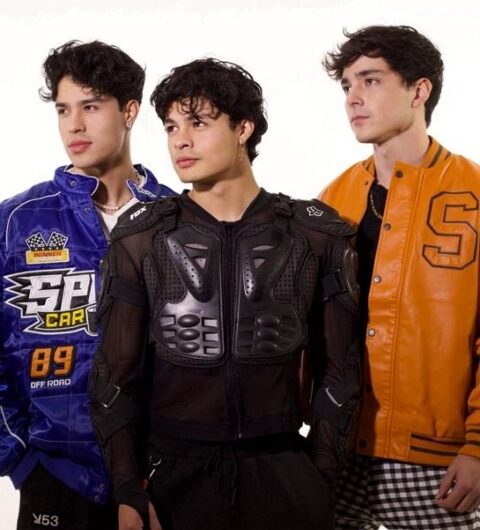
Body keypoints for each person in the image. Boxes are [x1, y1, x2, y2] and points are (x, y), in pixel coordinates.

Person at [89, 57, 360, 530]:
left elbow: (340, 372)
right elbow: (114, 379)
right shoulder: (142, 239)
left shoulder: (313, 236)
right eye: (171, 127)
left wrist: (319, 476)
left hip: (282, 469)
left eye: (198, 122)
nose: (181, 140)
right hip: (174, 476)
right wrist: (128, 488)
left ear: (244, 129)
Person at [0, 40, 174, 530]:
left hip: (161, 472)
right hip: (55, 472)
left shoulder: (176, 217)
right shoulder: (16, 221)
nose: (74, 125)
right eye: (63, 109)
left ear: (129, 112)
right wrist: (20, 456)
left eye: (91, 106)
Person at [320, 24, 480, 529]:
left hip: (438, 461)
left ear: (419, 90)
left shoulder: (475, 194)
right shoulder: (333, 199)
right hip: (339, 447)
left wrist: (479, 447)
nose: (353, 98)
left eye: (370, 80)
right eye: (347, 85)